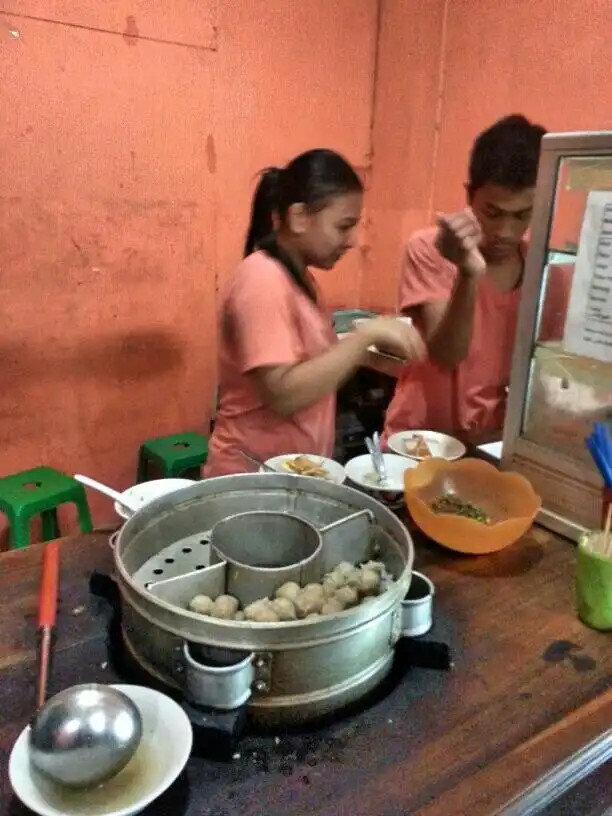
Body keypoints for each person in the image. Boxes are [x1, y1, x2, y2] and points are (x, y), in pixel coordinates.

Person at [204, 148, 425, 476]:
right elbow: (283, 393)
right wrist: (363, 338)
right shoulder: (262, 278)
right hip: (254, 478)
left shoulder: (301, 281)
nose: (352, 240)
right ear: (298, 218)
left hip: (289, 473)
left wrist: (366, 344)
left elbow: (312, 369)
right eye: (343, 226)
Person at [383, 114, 570, 444]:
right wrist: (469, 273)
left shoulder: (546, 274)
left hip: (491, 445)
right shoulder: (430, 249)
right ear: (470, 197)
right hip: (420, 443)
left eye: (523, 214)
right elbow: (446, 354)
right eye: (493, 213)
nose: (505, 232)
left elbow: (547, 376)